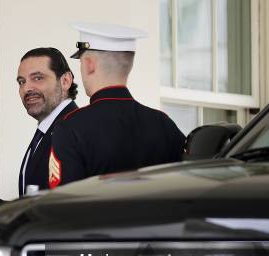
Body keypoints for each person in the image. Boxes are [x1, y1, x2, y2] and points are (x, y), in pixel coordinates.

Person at [48, 22, 185, 188]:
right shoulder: (164, 124)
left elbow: (63, 203)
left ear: (90, 64)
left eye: (81, 62)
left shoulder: (70, 127)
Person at [16, 47, 78, 196]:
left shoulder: (75, 130)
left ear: (65, 81)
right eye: (21, 82)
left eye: (38, 78)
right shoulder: (48, 131)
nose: (26, 88)